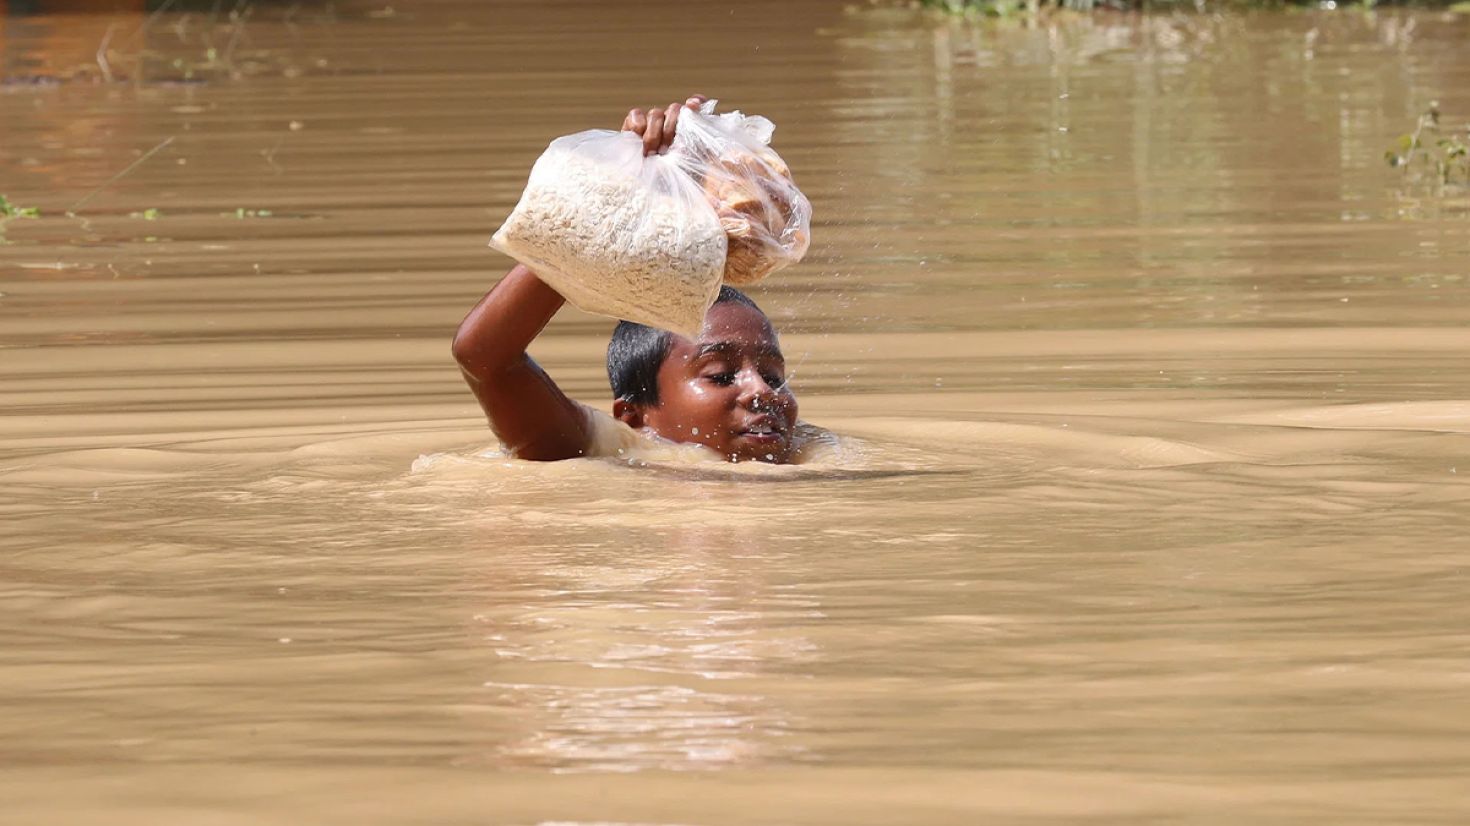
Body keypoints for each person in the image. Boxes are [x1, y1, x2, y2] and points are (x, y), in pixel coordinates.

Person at [453, 96, 809, 465]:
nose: (762, 391)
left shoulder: (811, 451)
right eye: (719, 376)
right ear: (635, 418)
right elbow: (483, 357)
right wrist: (622, 200)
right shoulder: (615, 451)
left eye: (773, 376)